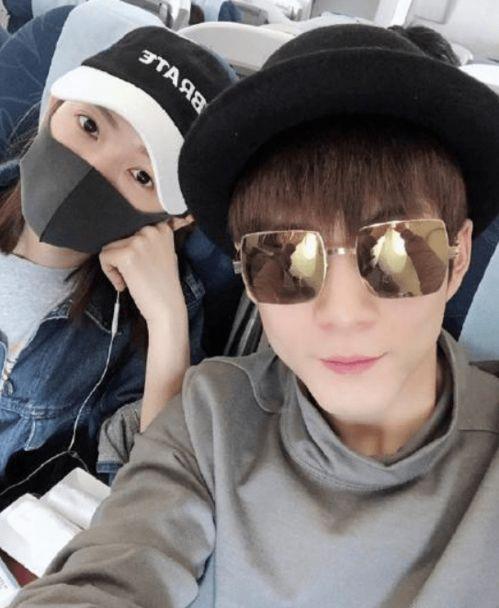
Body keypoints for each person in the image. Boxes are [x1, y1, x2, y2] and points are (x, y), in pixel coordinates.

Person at [11, 24, 499, 607]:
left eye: (398, 250)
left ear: (458, 257)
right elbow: (115, 572)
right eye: (285, 259)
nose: (343, 314)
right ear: (248, 277)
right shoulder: (211, 420)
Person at [0, 25, 234, 506]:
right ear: (55, 106)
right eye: (89, 125)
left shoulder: (131, 330)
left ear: (175, 217)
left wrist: (166, 323)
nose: (92, 167)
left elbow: (148, 506)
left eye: (142, 175)